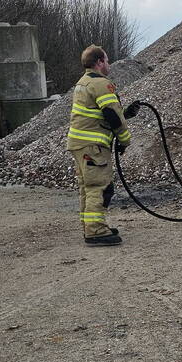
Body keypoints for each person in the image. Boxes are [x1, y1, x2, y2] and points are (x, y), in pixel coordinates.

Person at [66, 45, 132, 246]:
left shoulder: (83, 83)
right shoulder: (102, 84)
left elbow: (98, 115)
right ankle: (95, 231)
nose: (109, 64)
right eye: (107, 59)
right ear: (99, 62)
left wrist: (126, 113)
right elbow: (111, 115)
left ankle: (91, 227)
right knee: (98, 187)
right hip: (93, 146)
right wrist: (124, 139)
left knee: (87, 188)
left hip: (79, 144)